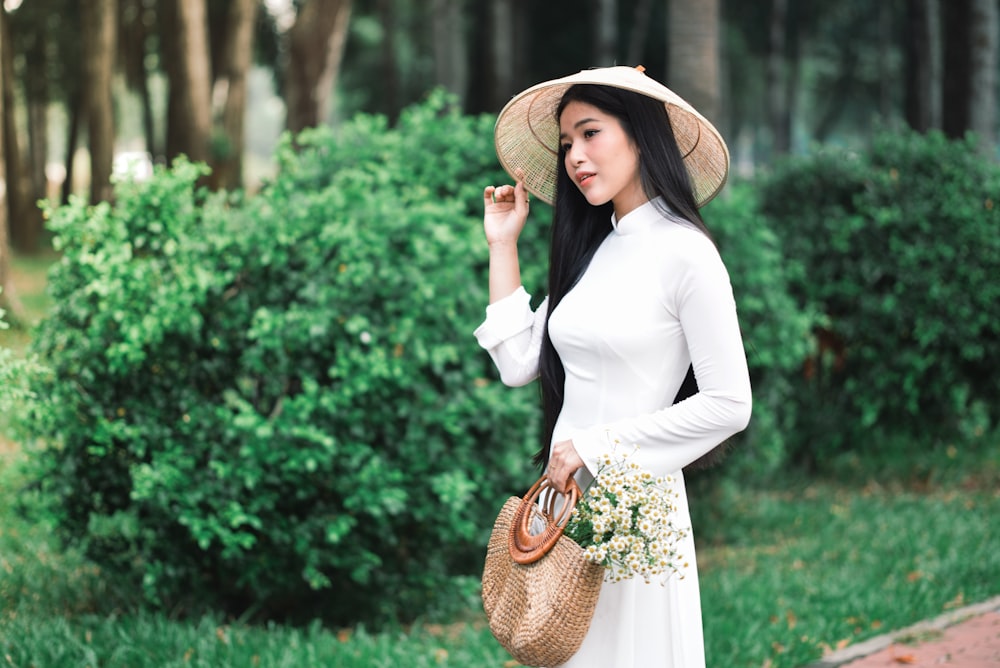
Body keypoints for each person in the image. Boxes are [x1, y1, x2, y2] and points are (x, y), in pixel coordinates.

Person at [474, 66, 752, 667]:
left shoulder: (686, 253)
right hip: (566, 505)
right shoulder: (593, 248)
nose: (574, 155)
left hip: (634, 507)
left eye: (590, 133)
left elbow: (731, 403)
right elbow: (520, 362)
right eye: (567, 141)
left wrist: (594, 447)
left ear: (641, 136)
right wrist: (503, 245)